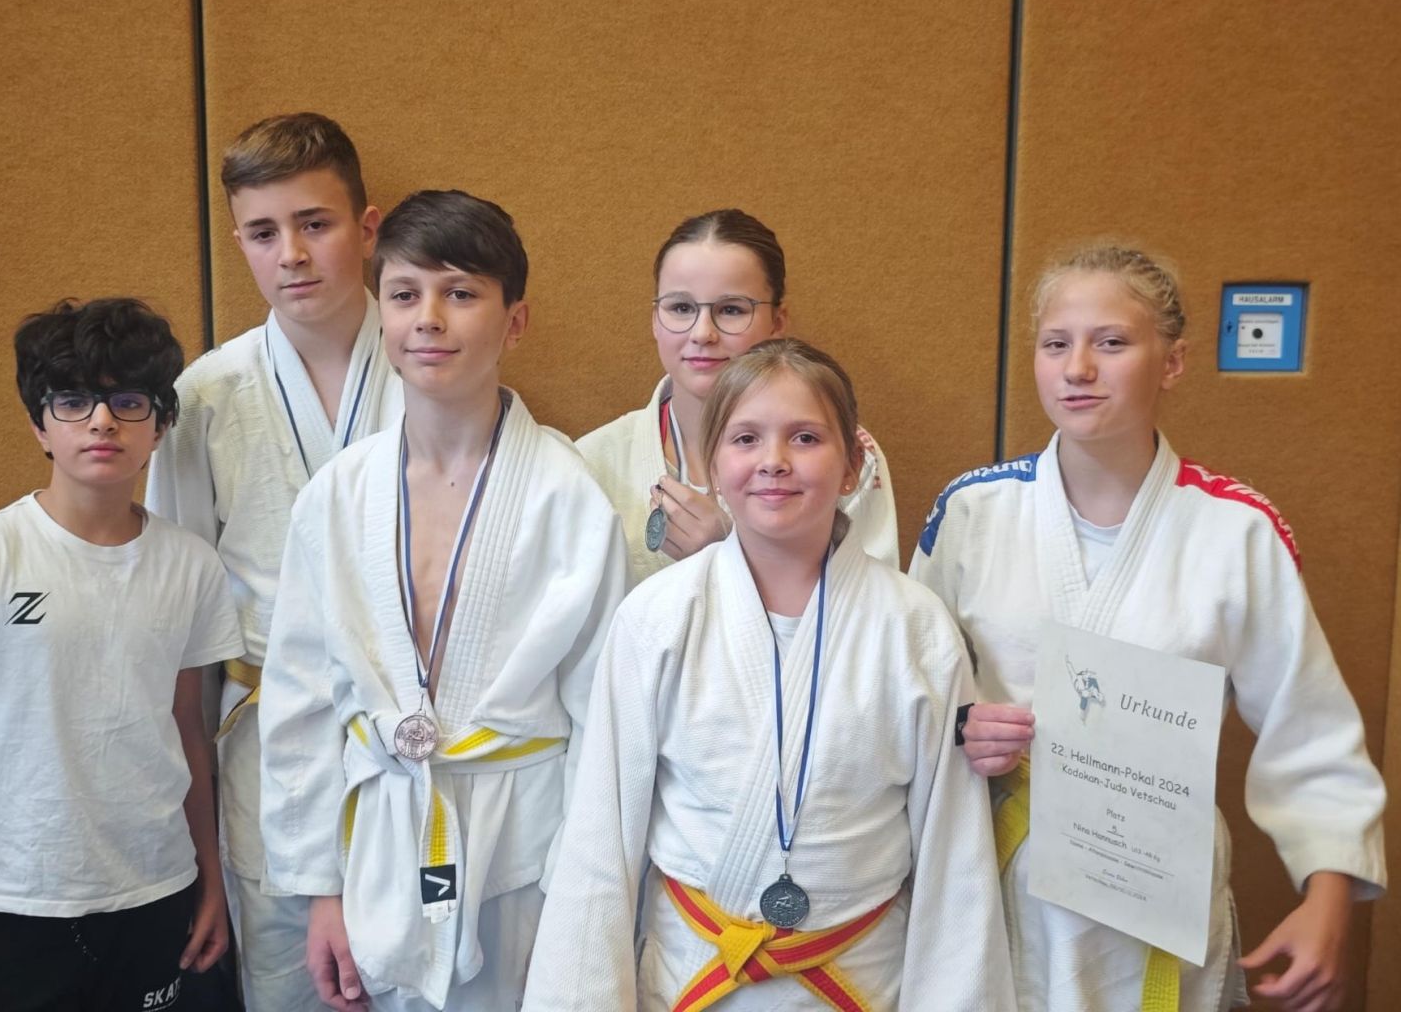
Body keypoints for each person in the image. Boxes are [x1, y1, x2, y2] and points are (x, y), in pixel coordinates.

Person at [910, 245, 1387, 1012]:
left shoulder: (1235, 532)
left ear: (1172, 362)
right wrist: (964, 728)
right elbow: (909, 694)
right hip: (996, 879)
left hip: (1155, 883)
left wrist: (1327, 893)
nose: (1076, 369)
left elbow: (1309, 730)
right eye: (1055, 343)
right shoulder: (972, 513)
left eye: (1110, 342)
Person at [525, 338, 1014, 1011]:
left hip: (861, 982)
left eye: (805, 438)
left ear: (853, 466)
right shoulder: (657, 617)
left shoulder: (916, 629)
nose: (774, 461)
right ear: (713, 464)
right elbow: (601, 836)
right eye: (746, 438)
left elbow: (954, 855)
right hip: (694, 978)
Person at [259, 190, 627, 1011]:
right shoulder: (337, 495)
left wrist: (581, 895)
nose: (428, 318)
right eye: (403, 294)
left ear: (514, 321)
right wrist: (321, 889)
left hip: (524, 849)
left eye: (460, 293)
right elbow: (299, 701)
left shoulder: (566, 496)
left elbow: (601, 719)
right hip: (378, 840)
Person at [0, 298, 244, 1012]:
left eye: (128, 401)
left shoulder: (192, 565)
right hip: (11, 901)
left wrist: (212, 880)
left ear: (161, 424)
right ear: (39, 424)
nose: (102, 421)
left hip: (157, 891)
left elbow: (188, 733)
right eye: (74, 401)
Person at [146, 111, 402, 1010]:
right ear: (239, 244)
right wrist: (194, 828)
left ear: (367, 228)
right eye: (262, 233)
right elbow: (178, 616)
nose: (290, 254)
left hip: (411, 729)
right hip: (266, 733)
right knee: (289, 978)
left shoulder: (433, 368)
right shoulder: (205, 397)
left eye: (314, 224)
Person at [576, 209, 899, 585]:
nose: (702, 333)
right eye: (681, 308)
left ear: (777, 322)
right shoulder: (593, 460)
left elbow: (873, 605)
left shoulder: (842, 453)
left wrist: (732, 553)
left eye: (731, 310)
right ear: (654, 321)